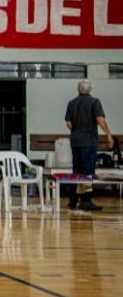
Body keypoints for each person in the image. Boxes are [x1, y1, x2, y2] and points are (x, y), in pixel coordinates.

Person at [65, 80, 114, 211]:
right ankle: (86, 201)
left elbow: (68, 123)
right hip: (89, 141)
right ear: (90, 89)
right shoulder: (94, 102)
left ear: (78, 89)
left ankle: (73, 200)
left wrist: (77, 130)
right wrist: (109, 135)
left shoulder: (71, 103)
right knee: (87, 171)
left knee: (77, 170)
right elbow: (100, 120)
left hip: (75, 141)